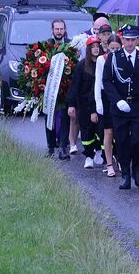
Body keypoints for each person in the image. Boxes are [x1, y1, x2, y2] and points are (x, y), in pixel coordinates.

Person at [102, 25, 139, 190]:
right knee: (121, 141)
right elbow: (107, 81)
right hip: (120, 107)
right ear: (122, 40)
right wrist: (117, 101)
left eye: (133, 40)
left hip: (137, 105)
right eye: (127, 40)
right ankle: (125, 174)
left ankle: (137, 170)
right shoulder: (114, 57)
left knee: (138, 140)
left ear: (137, 40)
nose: (130, 43)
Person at [68, 36, 105, 169]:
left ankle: (100, 151)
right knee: (86, 131)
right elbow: (75, 85)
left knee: (101, 130)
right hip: (84, 105)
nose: (95, 49)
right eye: (93, 47)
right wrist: (71, 104)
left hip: (100, 104)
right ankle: (88, 156)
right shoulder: (82, 65)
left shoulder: (104, 63)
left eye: (97, 46)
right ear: (88, 49)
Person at [42, 18, 71, 159]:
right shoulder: (46, 45)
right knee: (49, 117)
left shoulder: (70, 45)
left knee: (65, 118)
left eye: (61, 29)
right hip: (49, 88)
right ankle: (51, 147)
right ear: (52, 30)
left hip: (65, 88)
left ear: (65, 30)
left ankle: (63, 147)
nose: (59, 31)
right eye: (56, 29)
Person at [95, 34, 122, 177]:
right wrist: (98, 101)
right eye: (112, 48)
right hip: (106, 97)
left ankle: (121, 159)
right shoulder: (102, 59)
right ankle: (109, 163)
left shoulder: (124, 58)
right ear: (107, 47)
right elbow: (98, 81)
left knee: (121, 132)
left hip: (121, 97)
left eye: (117, 48)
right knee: (108, 132)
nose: (115, 51)